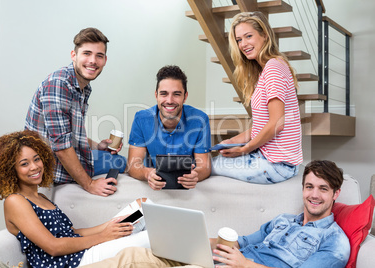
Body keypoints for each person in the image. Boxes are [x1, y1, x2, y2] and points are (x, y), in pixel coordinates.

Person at [80, 160, 350, 268]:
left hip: (238, 267)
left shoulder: (335, 243)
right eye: (309, 187)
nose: (314, 195)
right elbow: (241, 243)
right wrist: (190, 239)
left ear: (336, 194)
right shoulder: (282, 221)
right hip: (221, 260)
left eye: (323, 189)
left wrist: (245, 265)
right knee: (134, 256)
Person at [0, 130, 151, 267]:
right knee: (150, 238)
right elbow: (53, 246)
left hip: (83, 250)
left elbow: (71, 233)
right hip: (75, 261)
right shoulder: (15, 201)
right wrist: (104, 237)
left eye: (37, 159)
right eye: (24, 164)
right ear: (11, 170)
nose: (34, 166)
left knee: (143, 206)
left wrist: (108, 226)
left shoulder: (42, 197)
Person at [25, 27, 125, 197]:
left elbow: (68, 133)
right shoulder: (58, 85)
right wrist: (90, 184)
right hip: (51, 168)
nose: (93, 61)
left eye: (99, 56)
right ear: (74, 55)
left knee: (121, 161)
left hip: (65, 156)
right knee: (125, 163)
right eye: (87, 53)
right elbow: (61, 147)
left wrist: (98, 146)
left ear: (105, 60)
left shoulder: (82, 87)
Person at [211, 11, 303, 184]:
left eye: (248, 36)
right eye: (239, 40)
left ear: (265, 35)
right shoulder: (266, 71)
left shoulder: (273, 68)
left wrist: (246, 149)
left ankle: (146, 209)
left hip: (276, 165)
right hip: (274, 162)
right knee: (209, 161)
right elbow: (261, 128)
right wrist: (231, 141)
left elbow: (277, 123)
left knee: (204, 166)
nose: (243, 44)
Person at [127, 65, 211, 190]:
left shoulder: (200, 120)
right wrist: (148, 173)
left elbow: (204, 166)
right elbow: (133, 165)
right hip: (155, 187)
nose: (170, 100)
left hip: (186, 188)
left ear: (185, 96)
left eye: (176, 94)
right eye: (164, 94)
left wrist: (196, 175)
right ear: (156, 95)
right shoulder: (141, 119)